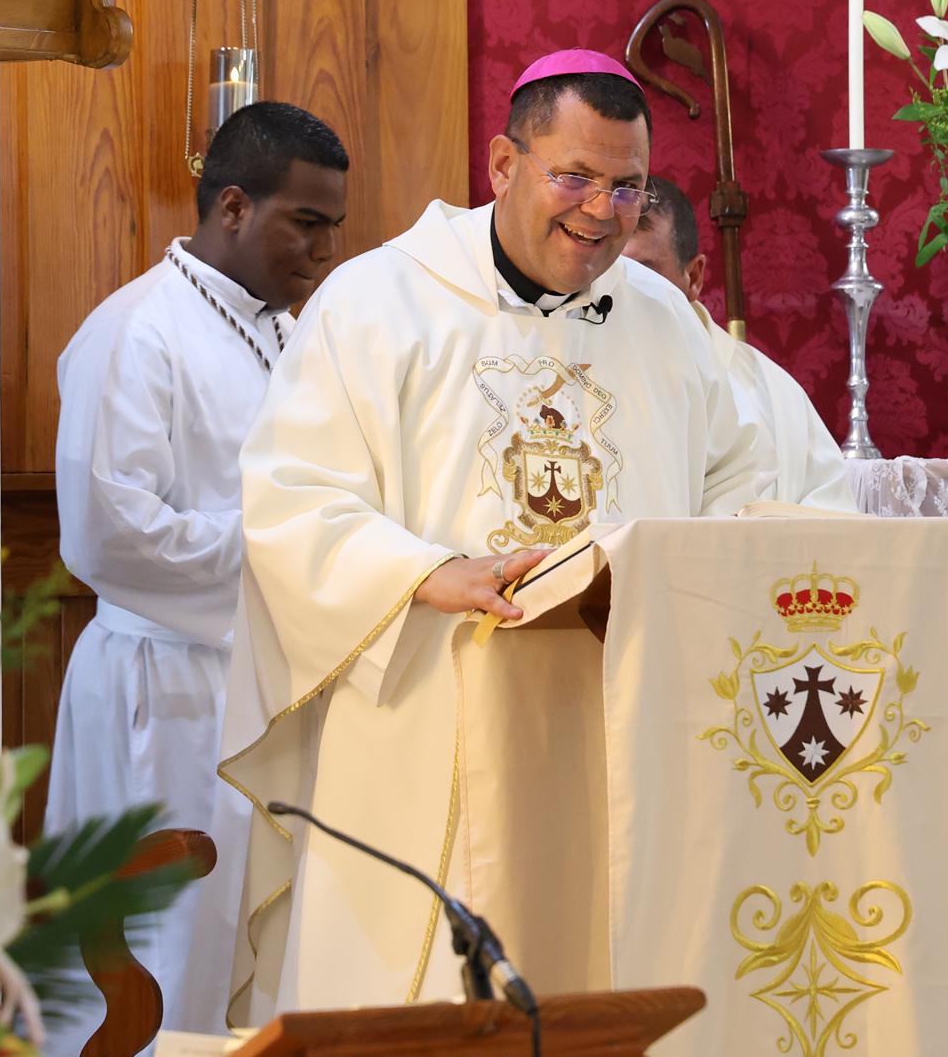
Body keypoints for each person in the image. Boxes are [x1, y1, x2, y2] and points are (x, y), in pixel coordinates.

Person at [218, 50, 801, 1024]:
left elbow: (741, 482)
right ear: (501, 164)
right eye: (573, 176)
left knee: (603, 971)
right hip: (433, 715)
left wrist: (685, 566)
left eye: (627, 186)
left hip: (616, 716)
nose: (600, 210)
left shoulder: (665, 320)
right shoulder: (376, 303)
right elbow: (290, 496)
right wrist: (428, 570)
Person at [44, 101, 349, 1054]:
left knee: (249, 938)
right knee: (161, 949)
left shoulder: (287, 333)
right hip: (164, 683)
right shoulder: (136, 331)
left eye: (335, 226)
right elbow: (110, 532)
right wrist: (293, 547)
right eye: (306, 222)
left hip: (261, 674)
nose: (325, 251)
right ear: (232, 205)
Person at [621, 175, 854, 511]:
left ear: (694, 277)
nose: (625, 288)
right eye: (613, 272)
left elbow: (831, 519)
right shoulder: (575, 367)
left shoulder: (771, 394)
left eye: (644, 272)